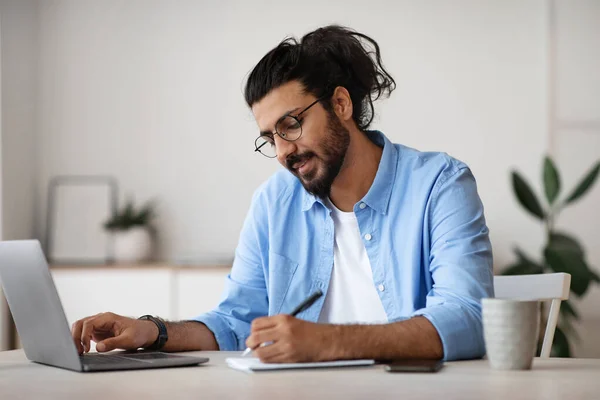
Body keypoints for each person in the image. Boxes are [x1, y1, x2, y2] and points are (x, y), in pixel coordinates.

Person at [71, 25, 494, 363]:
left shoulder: (440, 183)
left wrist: (326, 342)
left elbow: (468, 318)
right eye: (270, 137)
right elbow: (236, 321)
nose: (282, 152)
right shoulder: (274, 201)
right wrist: (155, 331)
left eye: (290, 125)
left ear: (341, 105)